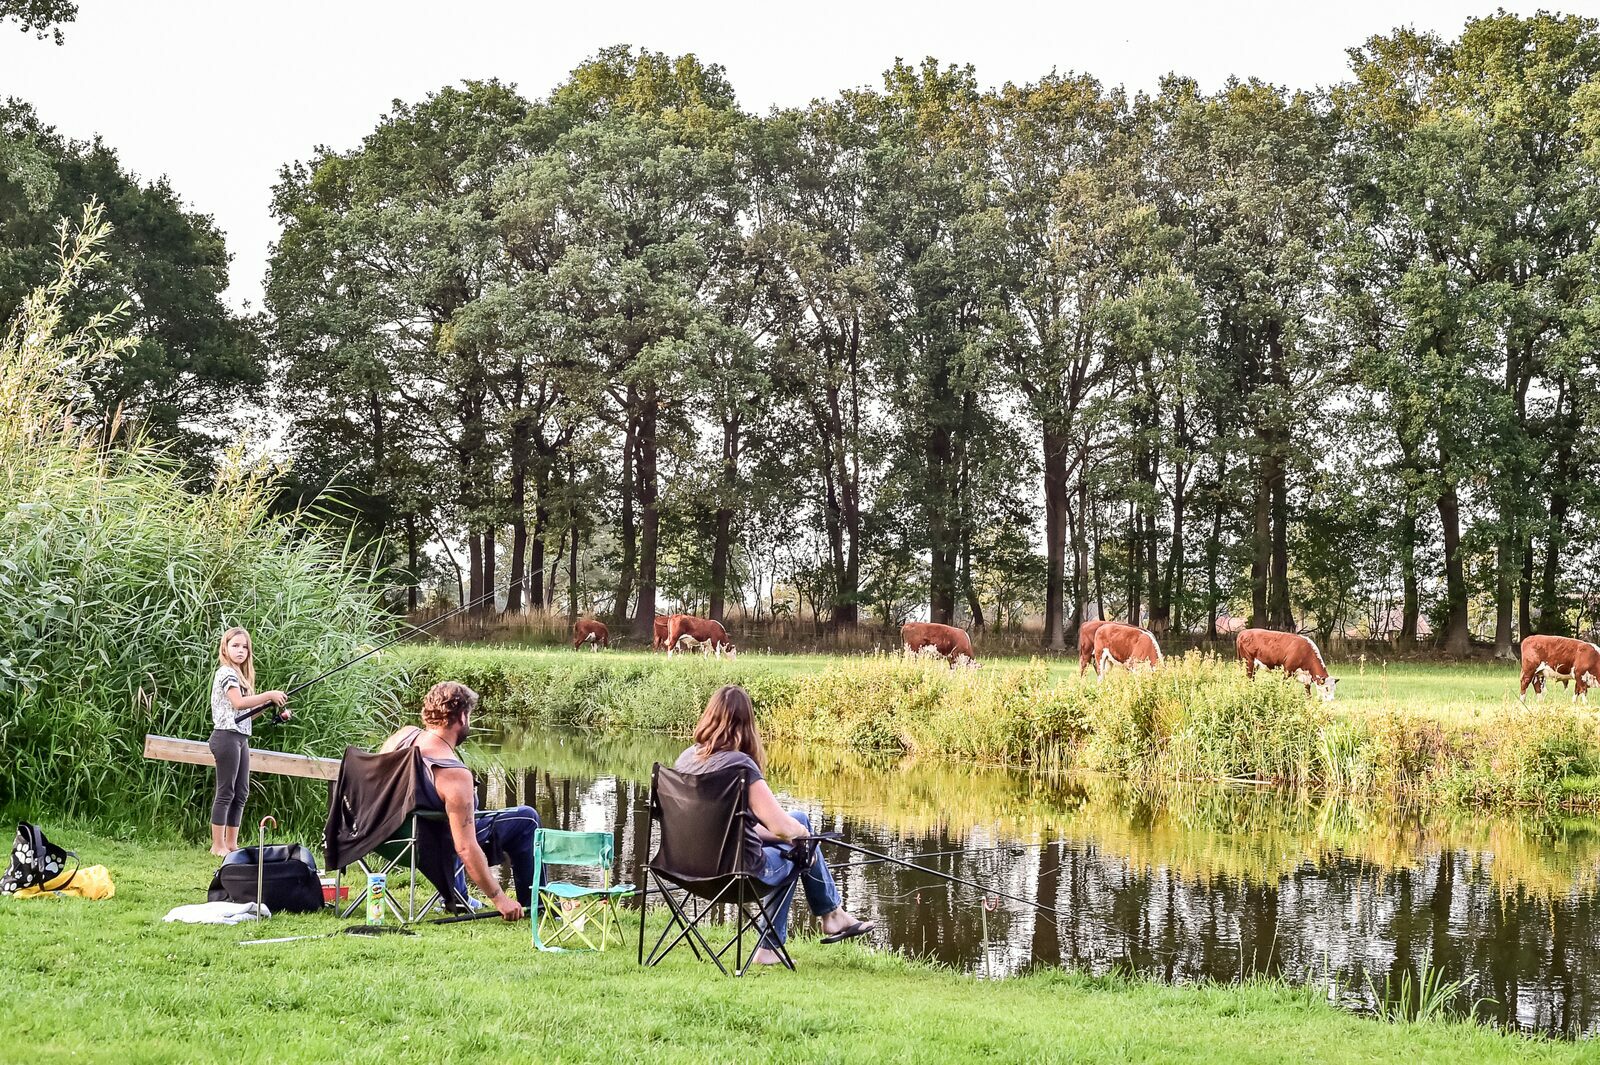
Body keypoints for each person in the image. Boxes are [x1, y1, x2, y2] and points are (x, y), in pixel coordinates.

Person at [674, 684, 873, 965]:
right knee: (797, 849)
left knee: (800, 818)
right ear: (746, 725)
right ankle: (772, 945)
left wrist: (798, 831)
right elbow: (781, 827)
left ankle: (833, 914)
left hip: (686, 869)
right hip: (735, 872)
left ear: (710, 716)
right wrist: (805, 839)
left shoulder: (685, 759)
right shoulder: (739, 766)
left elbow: (729, 826)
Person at [379, 681, 536, 921]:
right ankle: (535, 904)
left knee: (447, 817)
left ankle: (459, 896)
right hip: (426, 844)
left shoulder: (402, 737)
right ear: (462, 717)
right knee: (526, 818)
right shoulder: (453, 772)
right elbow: (465, 847)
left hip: (385, 839)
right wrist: (499, 899)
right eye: (470, 716)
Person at [208, 627, 291, 856]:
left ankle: (232, 844)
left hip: (240, 737)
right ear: (225, 648)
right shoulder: (226, 673)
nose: (241, 650)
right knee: (226, 791)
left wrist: (270, 707)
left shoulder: (241, 676)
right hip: (225, 737)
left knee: (241, 791)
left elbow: (246, 714)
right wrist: (268, 695)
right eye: (235, 646)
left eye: (245, 647)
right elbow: (237, 703)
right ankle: (218, 845)